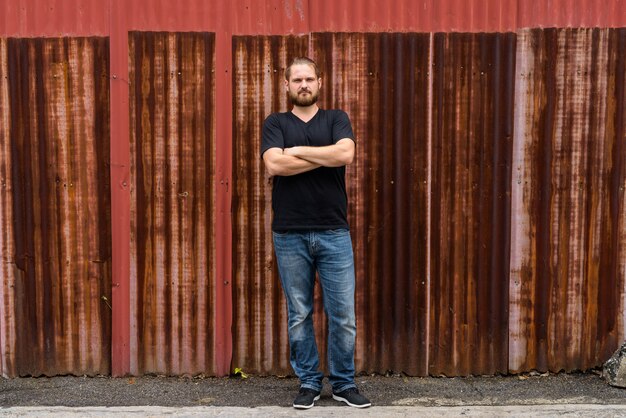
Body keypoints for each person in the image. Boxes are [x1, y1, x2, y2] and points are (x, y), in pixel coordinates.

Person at [260, 57, 371, 410]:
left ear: (320, 83)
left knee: (343, 314)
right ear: (287, 85)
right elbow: (274, 163)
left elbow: (346, 153)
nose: (303, 85)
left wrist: (298, 152)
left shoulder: (336, 118)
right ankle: (308, 382)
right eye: (297, 80)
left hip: (333, 230)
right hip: (289, 232)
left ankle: (342, 382)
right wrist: (324, 156)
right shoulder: (275, 122)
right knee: (299, 314)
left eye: (309, 79)